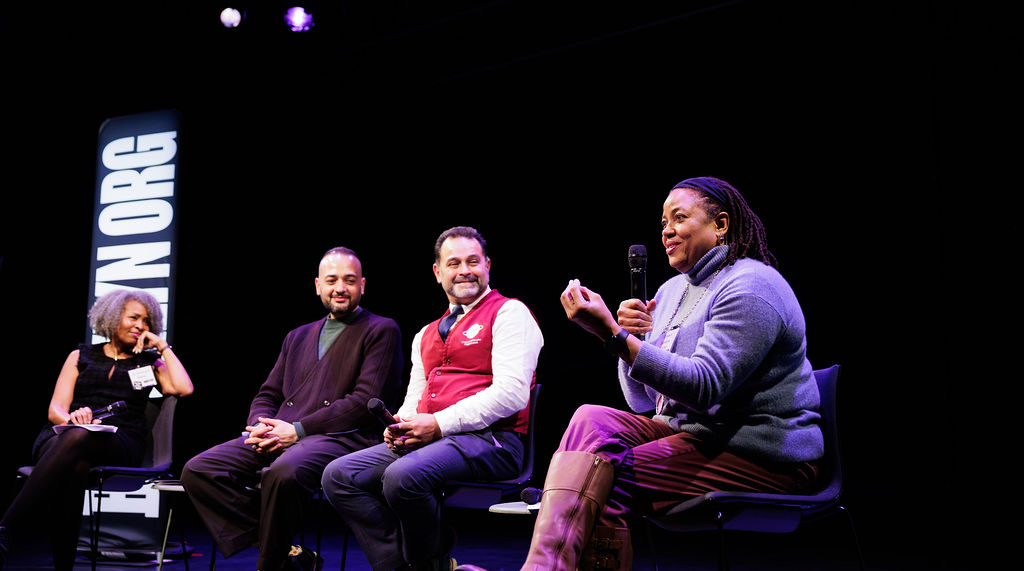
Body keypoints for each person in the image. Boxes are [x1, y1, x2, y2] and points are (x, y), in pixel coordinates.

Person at [489, 176, 823, 571]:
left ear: (720, 224)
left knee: (607, 479)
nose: (666, 231)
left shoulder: (751, 286)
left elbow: (703, 387)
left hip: (762, 453)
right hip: (698, 436)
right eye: (663, 222)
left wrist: (613, 336)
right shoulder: (670, 292)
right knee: (591, 418)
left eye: (679, 218)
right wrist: (628, 339)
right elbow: (644, 400)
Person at [320, 226, 544, 571]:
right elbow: (415, 398)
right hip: (432, 440)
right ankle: (413, 564)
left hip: (494, 440)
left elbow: (511, 393)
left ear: (488, 265)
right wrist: (400, 425)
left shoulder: (509, 313)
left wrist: (439, 424)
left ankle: (425, 564)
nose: (464, 270)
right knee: (338, 476)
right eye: (453, 263)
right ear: (438, 273)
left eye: (473, 261)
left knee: (401, 476)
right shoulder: (425, 333)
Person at [180, 247, 403, 571]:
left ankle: (271, 564)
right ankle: (288, 554)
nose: (340, 287)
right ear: (318, 285)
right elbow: (268, 392)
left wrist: (297, 430)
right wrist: (259, 425)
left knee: (283, 473)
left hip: (340, 437)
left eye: (349, 280)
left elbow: (362, 401)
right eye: (332, 280)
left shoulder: (381, 329)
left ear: (362, 285)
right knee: (198, 471)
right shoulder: (297, 336)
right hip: (281, 432)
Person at [0, 289, 194, 570]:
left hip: (119, 441)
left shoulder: (150, 363)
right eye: (134, 318)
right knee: (77, 464)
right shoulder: (81, 355)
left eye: (147, 322)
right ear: (113, 317)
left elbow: (184, 388)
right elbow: (56, 410)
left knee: (81, 442)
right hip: (64, 435)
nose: (141, 326)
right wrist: (73, 420)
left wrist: (162, 347)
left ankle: (6, 529)